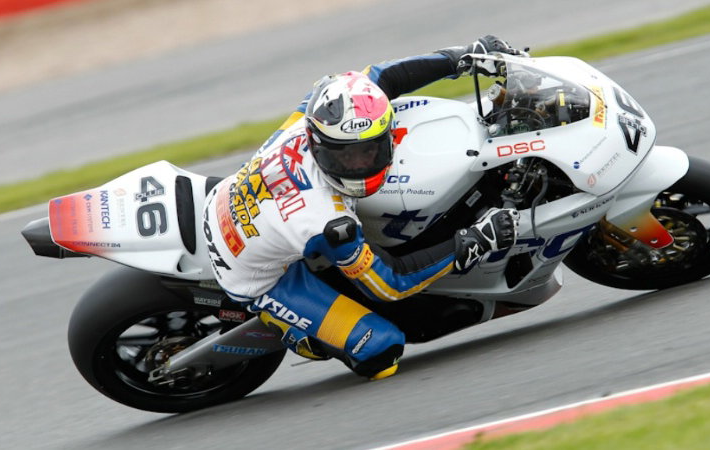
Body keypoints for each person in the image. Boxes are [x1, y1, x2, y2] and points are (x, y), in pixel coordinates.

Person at [202, 36, 520, 380]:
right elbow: (389, 284)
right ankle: (292, 328)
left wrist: (459, 57)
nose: (357, 165)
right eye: (343, 156)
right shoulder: (326, 221)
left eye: (368, 151)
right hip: (256, 274)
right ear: (318, 145)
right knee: (381, 351)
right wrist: (472, 242)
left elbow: (383, 76)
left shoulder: (315, 112)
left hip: (236, 199)